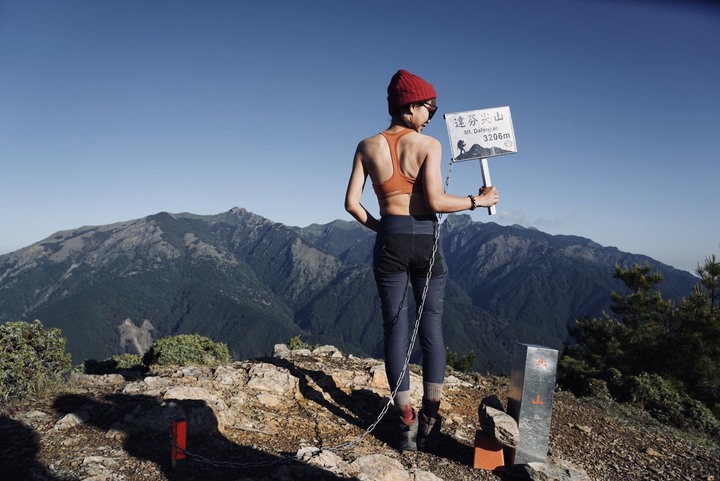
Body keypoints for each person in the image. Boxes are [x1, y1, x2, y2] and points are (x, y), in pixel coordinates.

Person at [344, 69, 499, 452]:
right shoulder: (427, 145)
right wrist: (479, 201)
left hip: (391, 241)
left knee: (395, 329)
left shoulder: (366, 145)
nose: (430, 115)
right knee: (431, 328)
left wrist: (383, 229)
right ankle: (431, 414)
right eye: (429, 107)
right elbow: (434, 202)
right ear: (410, 106)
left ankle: (406, 419)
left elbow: (351, 204)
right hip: (426, 240)